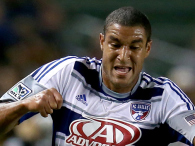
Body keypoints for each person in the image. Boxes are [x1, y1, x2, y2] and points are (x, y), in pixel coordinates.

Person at [0, 6, 195, 146]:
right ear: (102, 42)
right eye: (115, 45)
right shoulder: (68, 72)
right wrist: (23, 105)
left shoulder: (164, 96)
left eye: (134, 47)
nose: (124, 56)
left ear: (147, 49)